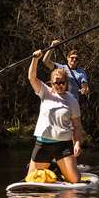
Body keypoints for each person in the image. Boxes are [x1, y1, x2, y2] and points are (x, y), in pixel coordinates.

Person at [27, 49, 83, 183]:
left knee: (75, 180)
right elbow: (31, 77)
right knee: (30, 180)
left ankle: (60, 167)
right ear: (51, 83)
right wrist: (35, 59)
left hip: (63, 145)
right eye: (56, 83)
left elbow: (77, 126)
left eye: (62, 83)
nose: (59, 85)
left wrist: (77, 143)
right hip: (43, 143)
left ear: (66, 83)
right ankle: (53, 167)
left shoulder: (72, 100)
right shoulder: (45, 92)